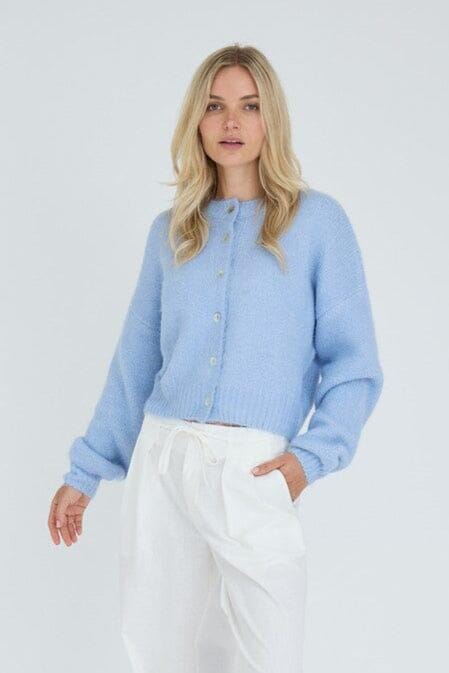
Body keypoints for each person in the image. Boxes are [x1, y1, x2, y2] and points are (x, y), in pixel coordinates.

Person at [48, 44, 384, 673]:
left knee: (270, 656)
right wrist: (86, 471)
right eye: (215, 106)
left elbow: (355, 366)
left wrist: (308, 461)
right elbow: (135, 364)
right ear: (196, 121)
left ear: (271, 118)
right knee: (162, 657)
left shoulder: (317, 223)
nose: (232, 122)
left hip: (254, 470)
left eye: (249, 106)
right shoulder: (172, 231)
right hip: (165, 460)